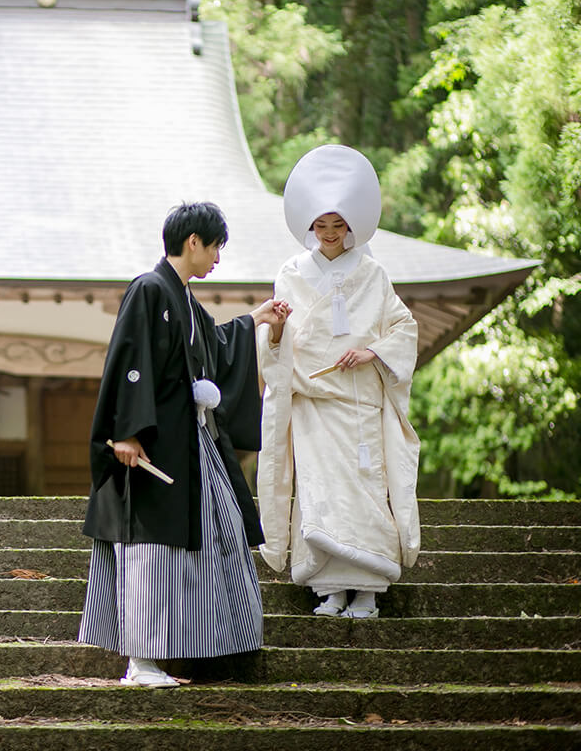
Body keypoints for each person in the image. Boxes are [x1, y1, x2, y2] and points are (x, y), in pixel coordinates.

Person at [77, 201, 289, 688]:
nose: (217, 256)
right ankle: (141, 661)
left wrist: (255, 318)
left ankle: (198, 644)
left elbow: (212, 346)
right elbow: (130, 360)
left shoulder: (187, 302)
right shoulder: (149, 290)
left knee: (217, 529)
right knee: (151, 546)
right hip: (155, 442)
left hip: (189, 441)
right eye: (215, 246)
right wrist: (126, 432)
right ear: (193, 241)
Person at [256, 144, 421, 620]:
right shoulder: (292, 273)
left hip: (359, 403)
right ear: (310, 227)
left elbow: (403, 328)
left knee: (366, 490)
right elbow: (274, 338)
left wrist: (371, 351)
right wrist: (280, 327)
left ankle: (367, 589)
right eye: (321, 227)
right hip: (312, 401)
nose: (329, 235)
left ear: (351, 227)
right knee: (318, 493)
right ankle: (329, 588)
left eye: (338, 226)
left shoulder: (373, 273)